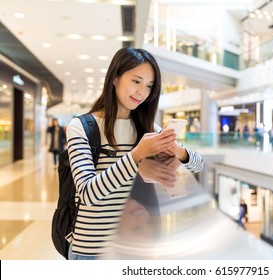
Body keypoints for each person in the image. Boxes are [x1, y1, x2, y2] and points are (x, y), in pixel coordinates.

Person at [65, 47, 204, 260]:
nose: (142, 92)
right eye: (136, 81)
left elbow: (199, 164)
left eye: (149, 86)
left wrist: (178, 152)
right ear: (115, 78)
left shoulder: (147, 127)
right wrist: (136, 157)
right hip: (91, 250)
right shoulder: (81, 126)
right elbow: (88, 193)